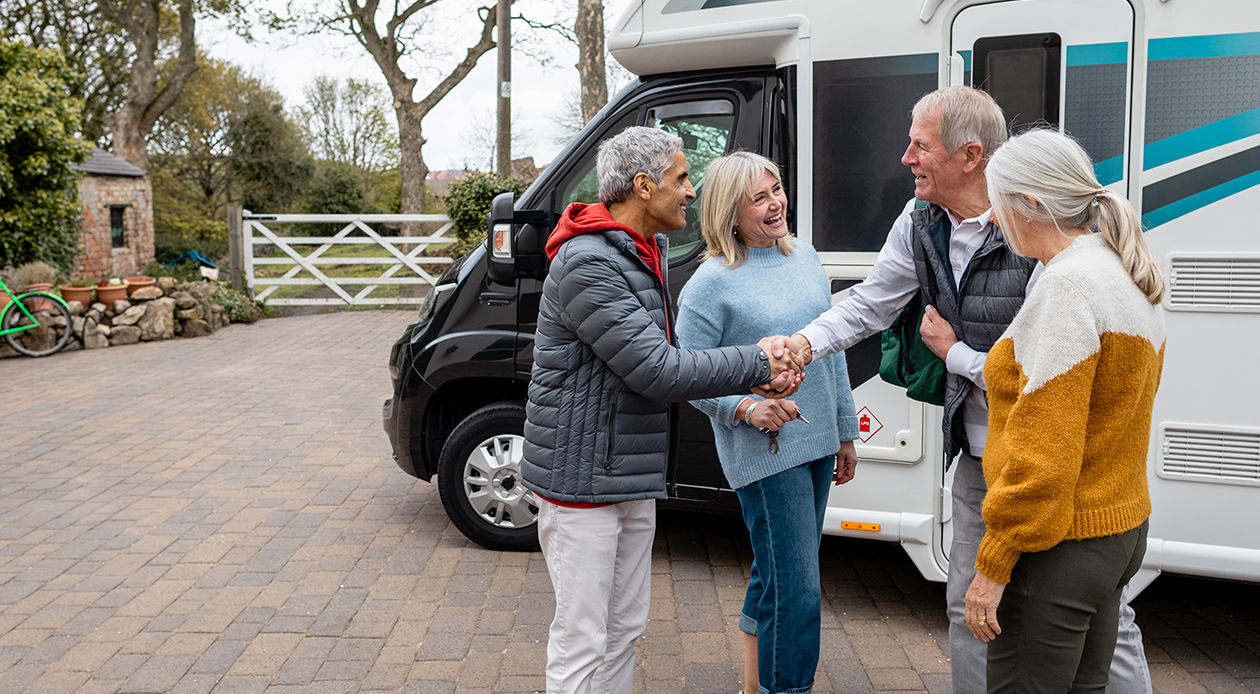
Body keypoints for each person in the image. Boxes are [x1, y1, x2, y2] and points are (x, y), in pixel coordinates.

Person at [772, 86, 1153, 693]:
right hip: (980, 454)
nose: (905, 158)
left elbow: (1039, 383)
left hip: (1050, 471)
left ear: (971, 155)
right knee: (971, 611)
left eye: (920, 145)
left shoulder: (1046, 245)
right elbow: (872, 302)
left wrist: (958, 355)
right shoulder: (921, 220)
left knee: (1092, 624)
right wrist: (804, 344)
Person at [519, 126, 802, 694]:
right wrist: (758, 360)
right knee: (583, 637)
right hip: (581, 484)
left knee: (623, 627)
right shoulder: (587, 263)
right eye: (681, 178)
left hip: (625, 476)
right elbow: (658, 369)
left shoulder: (639, 252)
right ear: (644, 186)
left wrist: (752, 376)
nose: (691, 191)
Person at [963, 128, 1166, 692]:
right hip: (1116, 530)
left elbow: (1044, 452)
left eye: (998, 201)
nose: (993, 217)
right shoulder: (1120, 270)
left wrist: (994, 560)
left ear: (1029, 204)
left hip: (1058, 546)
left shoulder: (1069, 288)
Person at [675, 152, 861, 694]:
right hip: (766, 449)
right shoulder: (709, 284)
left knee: (776, 573)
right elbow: (689, 375)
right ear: (729, 212)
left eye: (775, 189)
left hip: (820, 439)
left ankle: (755, 685)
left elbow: (832, 347)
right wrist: (746, 407)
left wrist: (845, 428)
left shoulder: (804, 256)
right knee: (797, 590)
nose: (776, 203)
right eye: (758, 198)